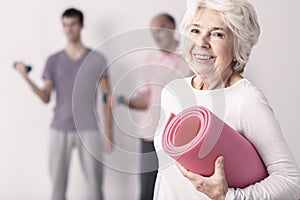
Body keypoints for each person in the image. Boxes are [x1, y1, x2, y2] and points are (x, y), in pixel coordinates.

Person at [153, 0, 300, 199]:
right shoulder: (173, 91)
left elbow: (290, 181)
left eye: (217, 34)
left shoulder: (246, 99)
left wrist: (227, 197)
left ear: (237, 45)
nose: (202, 42)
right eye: (195, 31)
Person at [15, 8, 113, 200]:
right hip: (59, 128)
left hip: (89, 129)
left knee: (95, 187)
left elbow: (107, 97)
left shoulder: (97, 59)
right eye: (65, 25)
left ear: (82, 26)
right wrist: (25, 77)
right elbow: (45, 97)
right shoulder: (53, 60)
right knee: (57, 187)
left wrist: (109, 132)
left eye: (73, 24)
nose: (69, 29)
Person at [113, 13, 193, 200]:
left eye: (159, 30)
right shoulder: (149, 60)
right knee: (147, 190)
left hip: (180, 136)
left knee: (180, 189)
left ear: (172, 27)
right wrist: (122, 100)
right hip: (150, 135)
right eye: (152, 32)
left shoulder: (189, 58)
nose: (156, 36)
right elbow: (144, 101)